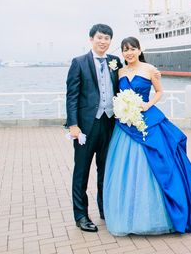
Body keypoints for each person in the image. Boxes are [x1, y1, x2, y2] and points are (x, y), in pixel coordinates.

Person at [103, 36, 191, 236]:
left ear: (139, 50)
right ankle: (130, 212)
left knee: (161, 163)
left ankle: (163, 213)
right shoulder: (119, 72)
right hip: (126, 123)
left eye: (132, 49)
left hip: (148, 119)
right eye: (125, 50)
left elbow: (159, 91)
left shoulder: (150, 69)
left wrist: (147, 105)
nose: (129, 53)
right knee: (127, 168)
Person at [66, 24, 122, 232]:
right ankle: (81, 215)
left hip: (109, 123)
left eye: (107, 38)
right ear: (91, 39)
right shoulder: (79, 62)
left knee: (106, 170)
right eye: (99, 37)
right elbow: (72, 96)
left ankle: (105, 209)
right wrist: (73, 125)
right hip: (85, 127)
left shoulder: (115, 62)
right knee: (81, 171)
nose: (103, 41)